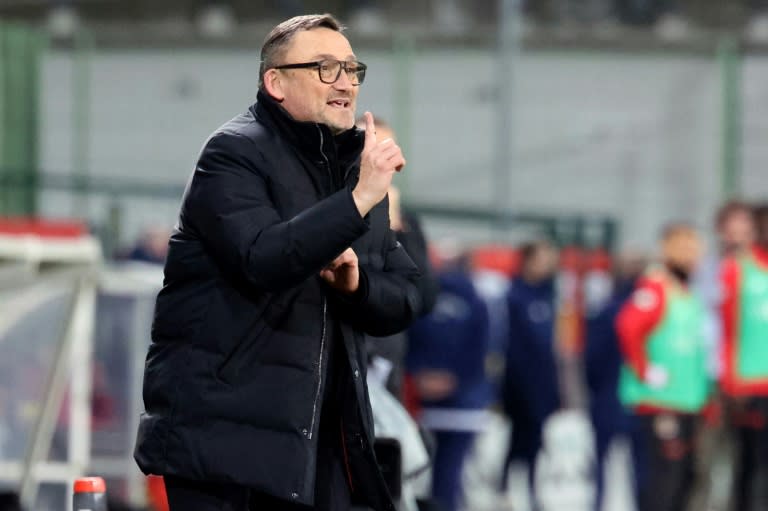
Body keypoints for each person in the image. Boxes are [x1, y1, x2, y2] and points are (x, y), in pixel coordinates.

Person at [133, 14, 422, 511]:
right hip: (225, 444)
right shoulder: (232, 154)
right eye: (325, 68)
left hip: (321, 447)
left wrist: (358, 288)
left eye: (352, 70)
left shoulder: (355, 172)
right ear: (276, 82)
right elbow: (262, 258)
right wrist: (356, 201)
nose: (345, 83)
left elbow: (408, 296)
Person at [616, 223, 713, 511]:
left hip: (687, 401)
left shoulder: (687, 293)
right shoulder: (656, 288)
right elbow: (628, 327)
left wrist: (704, 397)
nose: (693, 258)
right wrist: (646, 370)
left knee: (686, 480)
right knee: (663, 483)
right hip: (661, 403)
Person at [406, 252, 492, 511]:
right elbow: (482, 352)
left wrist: (420, 377)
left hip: (423, 402)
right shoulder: (478, 302)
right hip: (464, 405)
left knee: (412, 474)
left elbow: (407, 341)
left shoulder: (422, 298)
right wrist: (454, 380)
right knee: (451, 473)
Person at [585, 250, 647, 511]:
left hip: (610, 395)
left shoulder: (607, 311)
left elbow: (592, 359)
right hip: (641, 398)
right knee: (640, 469)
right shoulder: (655, 310)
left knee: (603, 464)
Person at [500, 240, 561, 501]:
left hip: (542, 383)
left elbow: (550, 347)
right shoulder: (514, 295)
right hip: (518, 383)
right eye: (542, 259)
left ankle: (532, 490)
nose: (547, 265)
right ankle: (505, 488)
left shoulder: (547, 296)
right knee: (518, 437)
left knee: (536, 439)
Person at [720, 203, 768, 511]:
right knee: (750, 469)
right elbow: (725, 328)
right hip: (749, 388)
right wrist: (731, 382)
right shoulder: (737, 268)